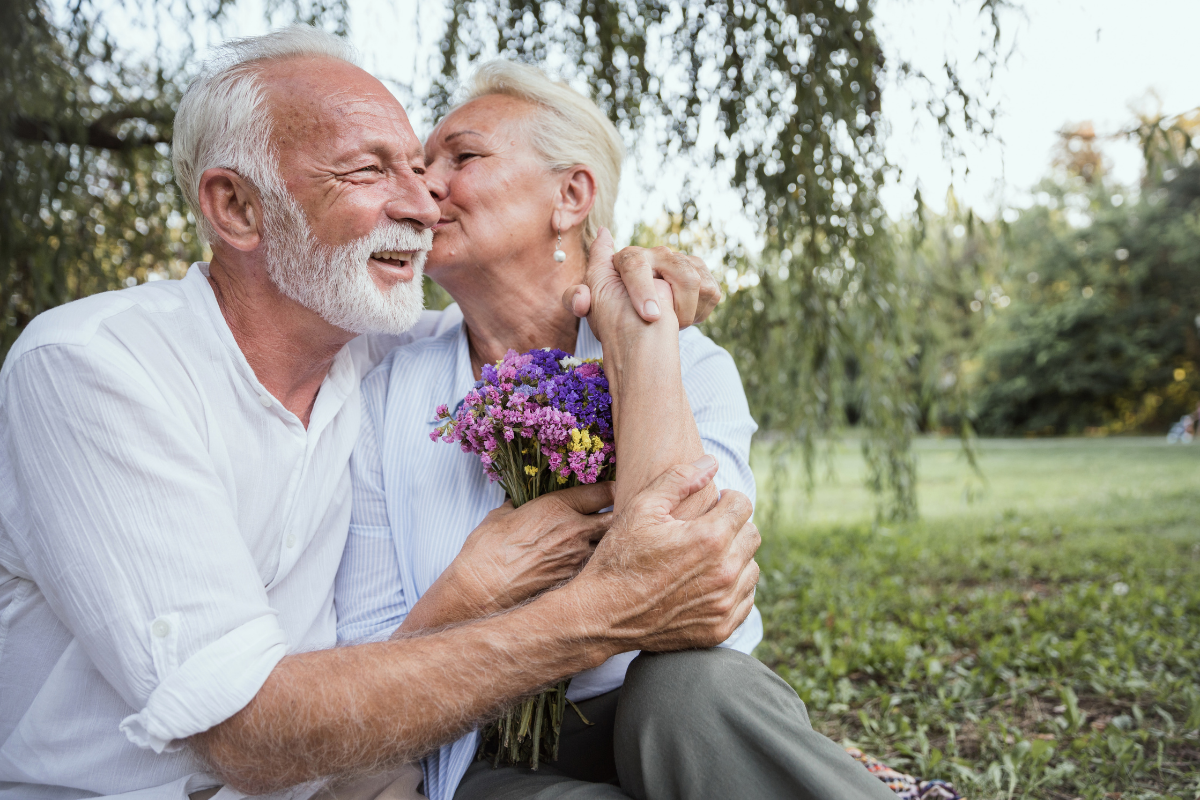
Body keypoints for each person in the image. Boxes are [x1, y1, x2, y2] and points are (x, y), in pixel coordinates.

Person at [0, 27, 757, 799]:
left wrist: (642, 311)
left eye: (435, 164)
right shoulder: (98, 367)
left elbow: (705, 577)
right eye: (371, 170)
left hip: (342, 775)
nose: (424, 199)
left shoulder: (368, 350)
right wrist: (600, 605)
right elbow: (248, 734)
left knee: (692, 702)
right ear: (236, 207)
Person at [334, 61, 897, 800]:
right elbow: (370, 651)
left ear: (571, 195)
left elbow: (696, 595)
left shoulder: (689, 361)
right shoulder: (387, 385)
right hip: (479, 743)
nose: (422, 187)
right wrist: (476, 588)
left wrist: (638, 335)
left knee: (690, 693)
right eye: (416, 165)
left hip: (670, 703)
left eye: (461, 157)